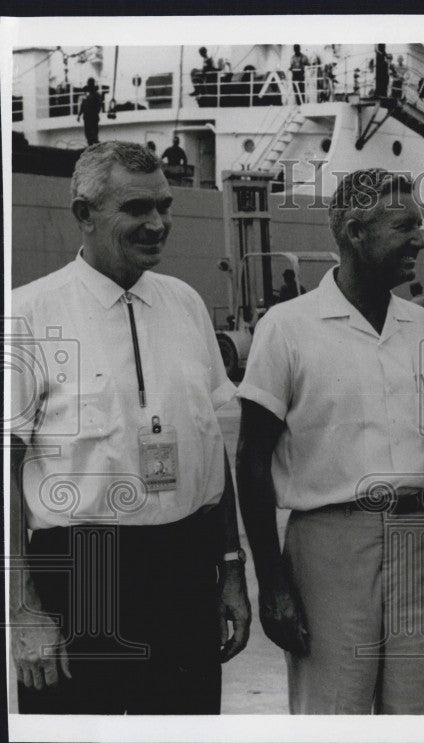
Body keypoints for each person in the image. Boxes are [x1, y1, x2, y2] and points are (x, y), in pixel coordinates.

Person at [9, 141, 251, 714]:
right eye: (137, 209)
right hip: (80, 570)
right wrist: (21, 605)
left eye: (163, 206)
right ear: (84, 214)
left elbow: (211, 449)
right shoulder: (29, 316)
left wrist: (233, 571)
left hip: (187, 564)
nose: (158, 223)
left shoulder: (187, 304)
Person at [236, 168, 424, 714]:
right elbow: (251, 462)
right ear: (355, 233)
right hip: (330, 550)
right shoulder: (286, 328)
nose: (420, 239)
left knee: (423, 713)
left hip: (421, 541)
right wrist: (272, 582)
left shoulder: (423, 327)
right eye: (403, 227)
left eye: (420, 225)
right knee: (334, 712)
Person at [76, 78, 103, 145]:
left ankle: (94, 144)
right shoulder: (87, 96)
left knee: (93, 134)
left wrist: (95, 113)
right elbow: (83, 105)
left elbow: (99, 106)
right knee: (88, 134)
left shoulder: (96, 95)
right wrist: (79, 115)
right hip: (87, 117)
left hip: (92, 117)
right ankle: (91, 145)